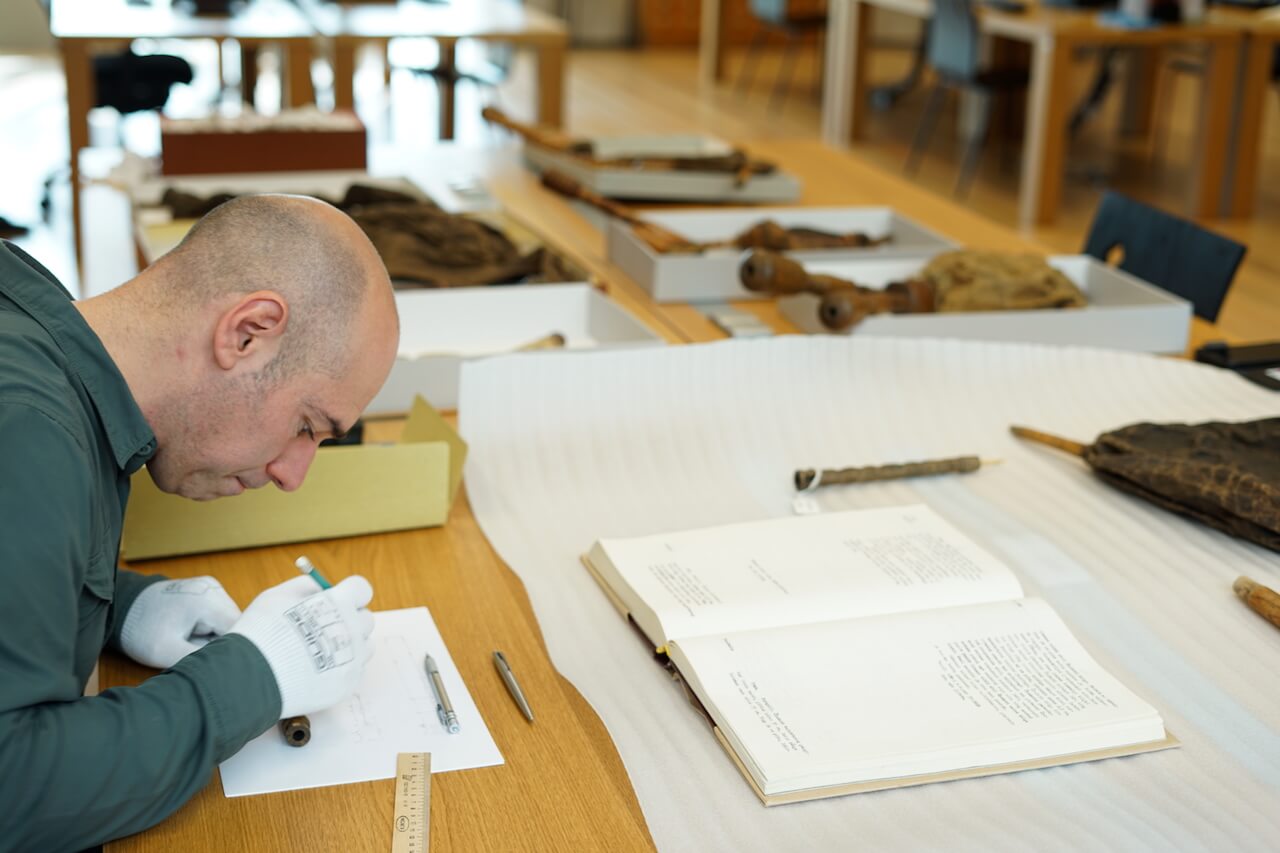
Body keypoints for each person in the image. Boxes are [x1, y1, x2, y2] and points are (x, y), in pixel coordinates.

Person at [0, 194, 400, 851]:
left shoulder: (44, 334)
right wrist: (253, 678)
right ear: (246, 334)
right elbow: (13, 786)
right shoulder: (26, 434)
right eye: (307, 426)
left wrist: (119, 605)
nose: (293, 474)